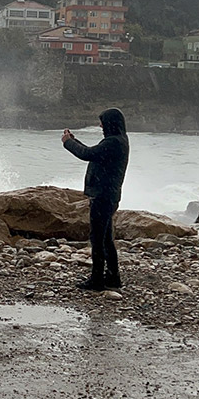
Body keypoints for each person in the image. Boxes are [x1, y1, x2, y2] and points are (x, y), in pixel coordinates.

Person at [61, 108, 129, 290]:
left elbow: (87, 154)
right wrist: (74, 141)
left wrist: (68, 143)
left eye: (102, 122)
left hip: (103, 196)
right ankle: (113, 278)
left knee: (98, 238)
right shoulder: (119, 141)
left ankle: (97, 279)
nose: (100, 125)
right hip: (109, 195)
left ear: (110, 123)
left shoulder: (113, 143)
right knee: (106, 238)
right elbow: (93, 152)